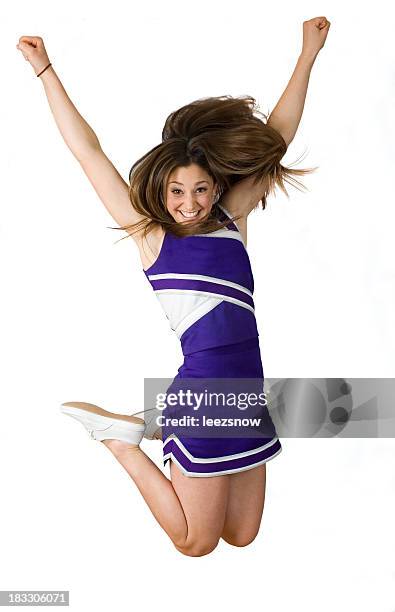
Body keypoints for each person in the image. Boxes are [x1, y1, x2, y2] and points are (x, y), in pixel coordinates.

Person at [16, 16, 330, 557]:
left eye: (201, 189)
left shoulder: (233, 220)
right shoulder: (152, 238)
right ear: (161, 193)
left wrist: (307, 56)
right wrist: (46, 70)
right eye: (178, 191)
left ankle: (161, 426)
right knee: (194, 541)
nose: (190, 202)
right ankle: (123, 441)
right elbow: (89, 153)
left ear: (215, 190)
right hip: (205, 392)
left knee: (243, 534)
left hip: (247, 394)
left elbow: (276, 136)